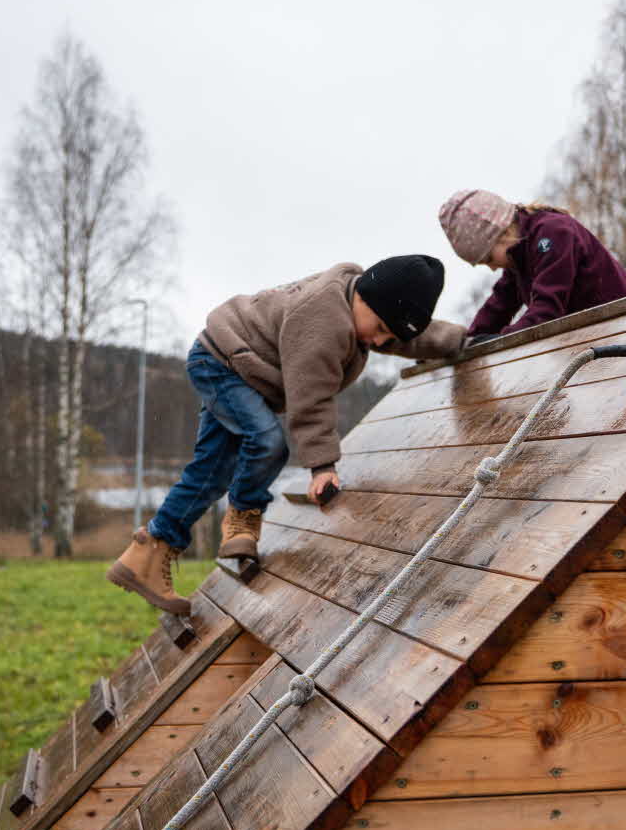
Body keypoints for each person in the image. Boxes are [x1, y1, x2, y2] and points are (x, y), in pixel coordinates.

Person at [107, 255, 465, 616]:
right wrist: (322, 466)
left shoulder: (365, 309)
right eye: (382, 328)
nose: (380, 341)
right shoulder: (324, 319)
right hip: (222, 363)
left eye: (389, 337)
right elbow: (311, 397)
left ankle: (148, 551)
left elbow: (411, 337)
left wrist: (464, 339)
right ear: (368, 300)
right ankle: (242, 519)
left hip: (234, 368)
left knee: (212, 470)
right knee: (267, 444)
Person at [438, 189, 626, 342]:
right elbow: (499, 306)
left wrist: (500, 341)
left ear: (503, 234)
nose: (492, 268)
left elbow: (546, 309)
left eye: (488, 259)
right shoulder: (519, 256)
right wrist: (468, 343)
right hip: (597, 337)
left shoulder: (554, 233)